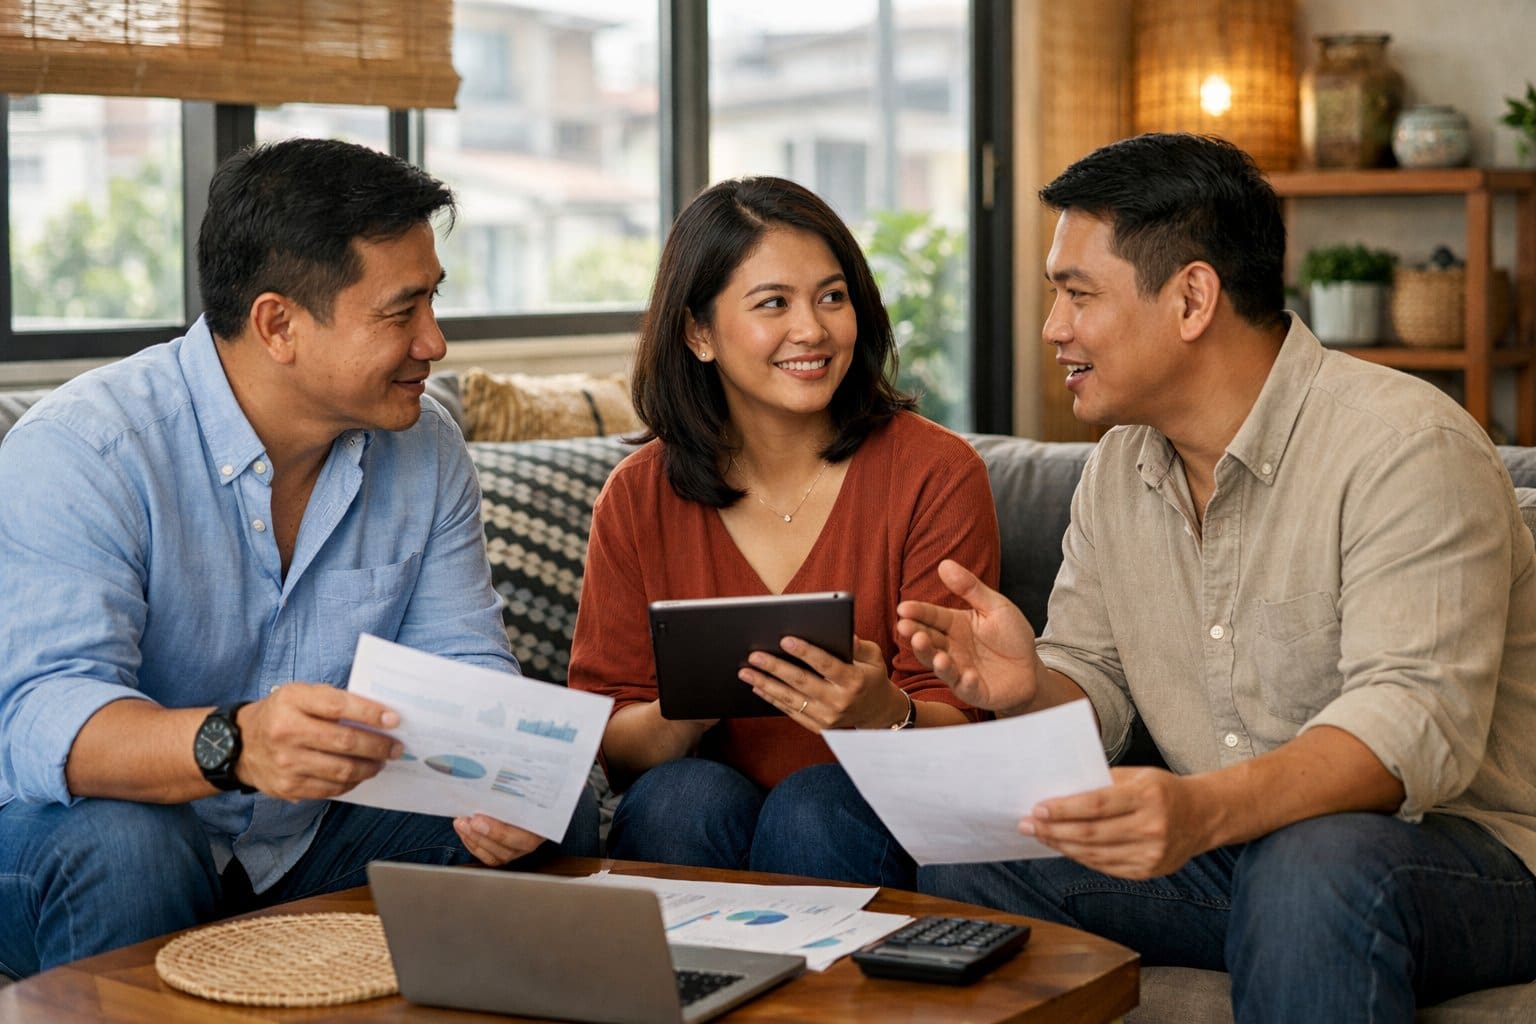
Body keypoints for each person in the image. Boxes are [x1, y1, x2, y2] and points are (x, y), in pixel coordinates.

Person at [892, 133, 1536, 1019]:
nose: (1053, 328)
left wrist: (1199, 812)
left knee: (1311, 866)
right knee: (979, 852)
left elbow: (1411, 723)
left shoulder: (1404, 448)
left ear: (1193, 297)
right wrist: (1033, 683)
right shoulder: (1119, 469)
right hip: (1254, 851)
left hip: (1464, 857)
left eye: (1077, 294)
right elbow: (1103, 683)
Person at [0, 138, 599, 980]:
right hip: (74, 836)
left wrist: (503, 783)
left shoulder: (424, 448)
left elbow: (464, 670)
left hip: (310, 837)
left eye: (434, 301)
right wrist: (233, 745)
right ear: (278, 323)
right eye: (402, 311)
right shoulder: (85, 450)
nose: (435, 341)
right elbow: (41, 717)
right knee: (131, 843)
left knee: (551, 804)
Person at [567, 176, 1000, 887]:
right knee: (679, 798)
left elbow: (969, 725)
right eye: (775, 304)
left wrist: (883, 710)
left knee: (814, 805)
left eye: (832, 297)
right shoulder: (637, 497)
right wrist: (684, 712)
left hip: (869, 810)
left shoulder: (936, 473)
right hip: (701, 811)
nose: (815, 329)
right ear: (697, 332)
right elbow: (610, 749)